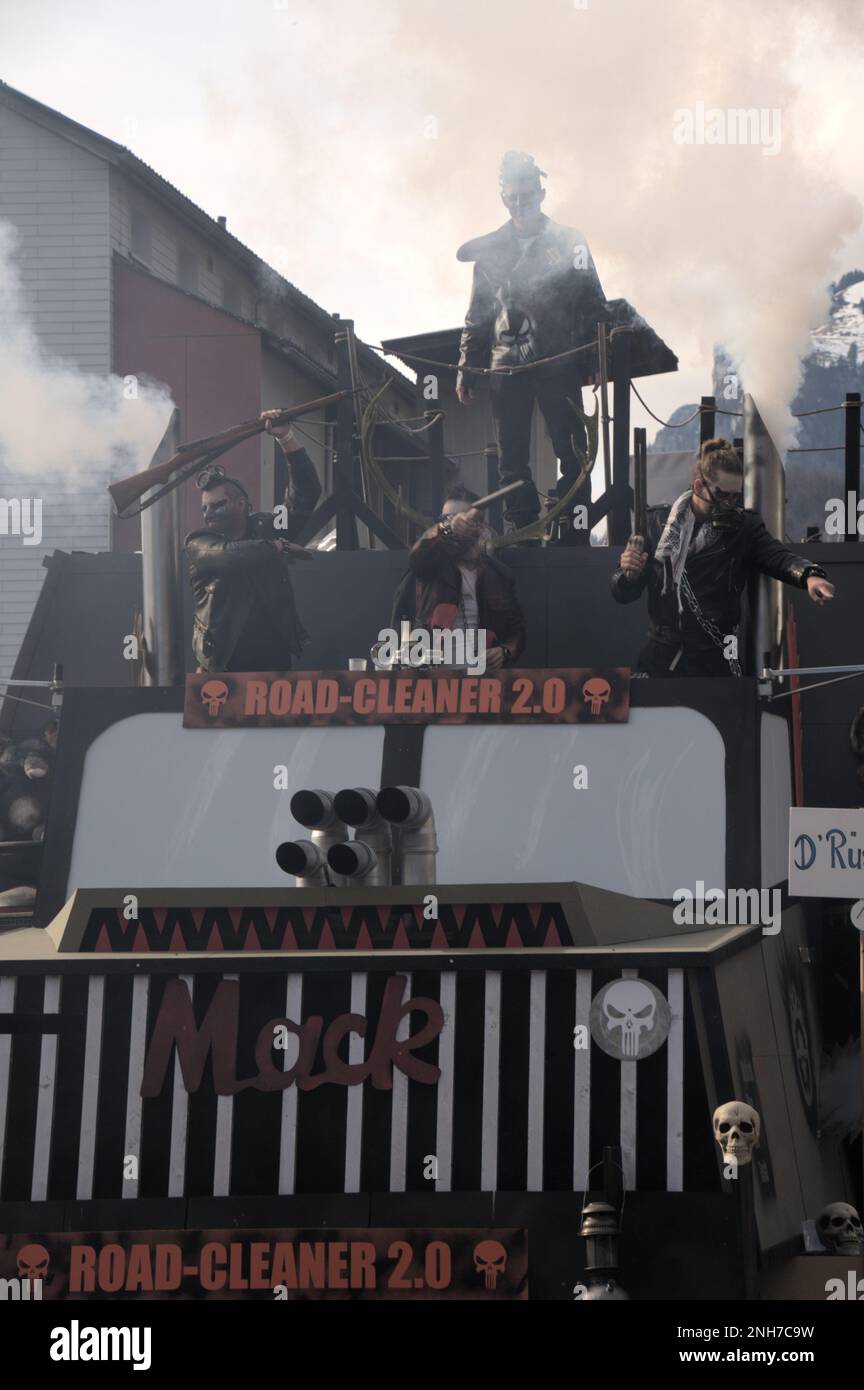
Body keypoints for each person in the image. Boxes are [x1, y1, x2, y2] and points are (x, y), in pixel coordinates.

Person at [455, 150, 609, 538]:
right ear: (504, 198)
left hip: (559, 357)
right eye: (514, 197)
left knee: (571, 448)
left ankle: (574, 525)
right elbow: (478, 314)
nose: (521, 204)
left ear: (541, 193)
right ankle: (520, 528)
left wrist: (595, 357)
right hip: (506, 361)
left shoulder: (570, 241)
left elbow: (592, 302)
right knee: (511, 458)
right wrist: (466, 367)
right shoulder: (490, 250)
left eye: (528, 195)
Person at [611, 437, 835, 676]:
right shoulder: (656, 524)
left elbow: (777, 555)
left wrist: (810, 575)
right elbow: (623, 594)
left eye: (735, 497)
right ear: (698, 487)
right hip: (661, 656)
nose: (729, 504)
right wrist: (626, 574)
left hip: (716, 659)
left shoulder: (744, 527)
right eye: (722, 495)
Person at [184, 415, 319, 673]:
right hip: (222, 665)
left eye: (217, 504)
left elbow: (305, 495)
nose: (208, 513)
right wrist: (279, 546)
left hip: (273, 661)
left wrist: (286, 437)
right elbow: (230, 556)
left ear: (242, 504)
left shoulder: (265, 528)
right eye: (204, 507)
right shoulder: (199, 542)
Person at [391, 486, 525, 669]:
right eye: (446, 519)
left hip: (483, 683)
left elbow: (516, 631)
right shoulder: (430, 565)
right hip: (433, 683)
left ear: (480, 525)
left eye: (463, 517)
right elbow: (417, 555)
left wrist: (504, 652)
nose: (456, 523)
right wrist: (446, 529)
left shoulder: (500, 575)